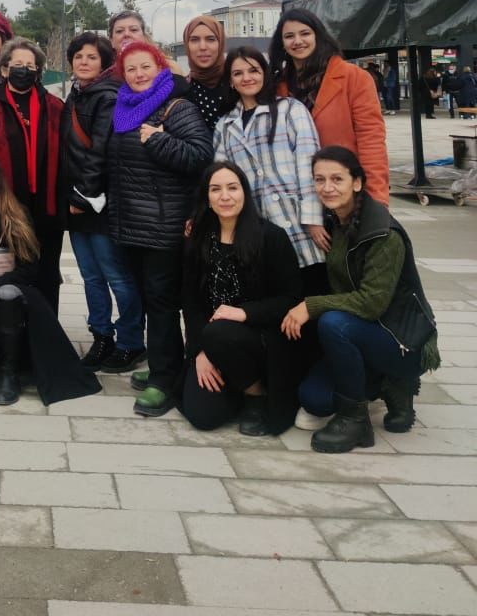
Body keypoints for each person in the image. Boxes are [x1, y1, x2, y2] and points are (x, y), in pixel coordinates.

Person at [282, 146, 439, 453]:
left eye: (337, 179)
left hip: (402, 341)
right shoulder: (338, 221)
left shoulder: (382, 232)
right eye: (319, 179)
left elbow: (371, 303)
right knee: (315, 399)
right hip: (364, 334)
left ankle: (355, 420)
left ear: (356, 183)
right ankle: (388, 384)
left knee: (333, 323)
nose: (327, 187)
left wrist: (311, 306)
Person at [0, 148, 98, 406]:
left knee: (7, 293)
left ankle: (8, 373)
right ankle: (1, 350)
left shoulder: (15, 212)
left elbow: (29, 270)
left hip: (8, 299)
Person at [104, 40, 212, 417]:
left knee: (162, 302)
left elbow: (201, 156)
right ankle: (165, 364)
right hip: (131, 224)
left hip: (164, 225)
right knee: (152, 301)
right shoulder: (124, 108)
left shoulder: (176, 107)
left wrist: (160, 140)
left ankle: (164, 381)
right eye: (131, 69)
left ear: (160, 68)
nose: (138, 74)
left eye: (145, 67)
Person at [181, 163, 303, 437]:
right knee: (202, 416)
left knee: (220, 331)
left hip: (261, 340)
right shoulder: (198, 238)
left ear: (245, 193)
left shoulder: (271, 237)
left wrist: (244, 313)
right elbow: (190, 302)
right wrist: (200, 352)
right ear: (207, 198)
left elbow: (291, 298)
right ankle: (236, 389)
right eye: (216, 189)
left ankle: (256, 394)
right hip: (213, 340)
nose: (225, 196)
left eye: (232, 188)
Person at [59, 31, 145, 373]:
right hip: (77, 202)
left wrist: (82, 195)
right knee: (90, 276)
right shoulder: (76, 95)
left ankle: (131, 341)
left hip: (99, 203)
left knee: (116, 276)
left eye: (92, 57)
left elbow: (99, 150)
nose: (84, 62)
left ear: (105, 62)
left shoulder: (107, 96)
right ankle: (102, 336)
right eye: (78, 56)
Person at [0, 37, 65, 311]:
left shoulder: (55, 106)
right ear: (5, 69)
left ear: (38, 71)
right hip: (6, 206)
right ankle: (9, 328)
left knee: (46, 272)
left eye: (30, 66)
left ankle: (46, 326)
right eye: (17, 64)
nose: (24, 70)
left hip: (47, 206)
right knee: (10, 273)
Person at [212, 47, 327, 293]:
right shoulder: (225, 125)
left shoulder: (290, 109)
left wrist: (314, 219)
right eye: (238, 73)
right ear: (230, 81)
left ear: (264, 73)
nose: (247, 78)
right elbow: (221, 178)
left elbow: (310, 166)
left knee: (311, 294)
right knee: (274, 296)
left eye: (253, 70)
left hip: (297, 221)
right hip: (256, 227)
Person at [270, 8, 389, 202]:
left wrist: (376, 199)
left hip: (342, 191)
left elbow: (371, 141)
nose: (298, 41)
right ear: (281, 43)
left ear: (318, 36)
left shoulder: (354, 78)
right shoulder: (277, 87)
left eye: (305, 33)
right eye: (289, 36)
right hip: (296, 195)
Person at [182, 14, 233, 127]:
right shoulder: (181, 90)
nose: (203, 47)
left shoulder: (238, 82)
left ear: (220, 43)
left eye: (210, 39)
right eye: (194, 40)